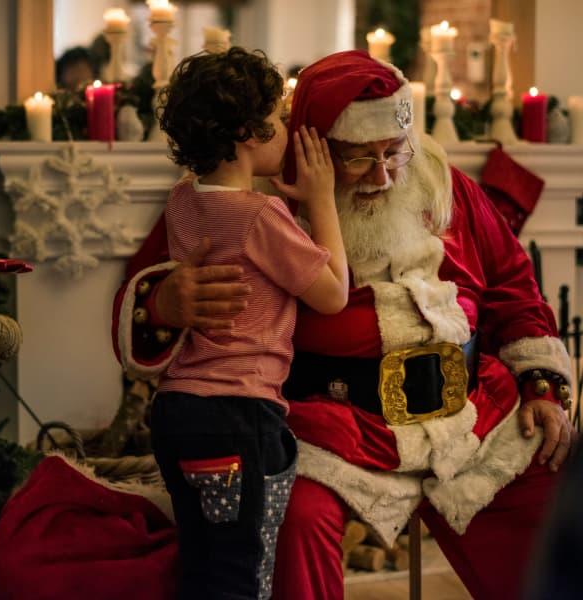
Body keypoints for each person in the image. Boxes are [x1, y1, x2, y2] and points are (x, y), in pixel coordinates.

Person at [112, 49, 576, 599]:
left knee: (553, 500)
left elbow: (512, 284)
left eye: (393, 153)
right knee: (294, 519)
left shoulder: (441, 183)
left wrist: (542, 384)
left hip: (469, 419)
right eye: (358, 158)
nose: (381, 175)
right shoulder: (243, 199)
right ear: (312, 145)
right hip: (331, 432)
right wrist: (164, 302)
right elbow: (141, 299)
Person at [145, 47, 348, 600]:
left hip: (176, 410)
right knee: (243, 573)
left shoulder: (182, 198)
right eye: (279, 120)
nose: (286, 129)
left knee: (203, 566)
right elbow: (333, 294)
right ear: (246, 133)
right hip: (239, 414)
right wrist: (323, 201)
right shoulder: (262, 216)